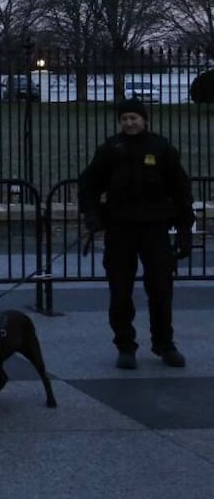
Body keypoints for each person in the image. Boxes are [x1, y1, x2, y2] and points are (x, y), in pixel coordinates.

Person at [80, 97, 195, 370]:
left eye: (134, 118)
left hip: (155, 228)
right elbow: (89, 185)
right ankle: (125, 345)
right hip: (120, 228)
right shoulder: (111, 149)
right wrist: (93, 215)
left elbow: (181, 191)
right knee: (120, 290)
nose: (129, 123)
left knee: (161, 288)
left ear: (144, 119)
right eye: (124, 119)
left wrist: (184, 229)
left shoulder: (161, 148)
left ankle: (164, 343)